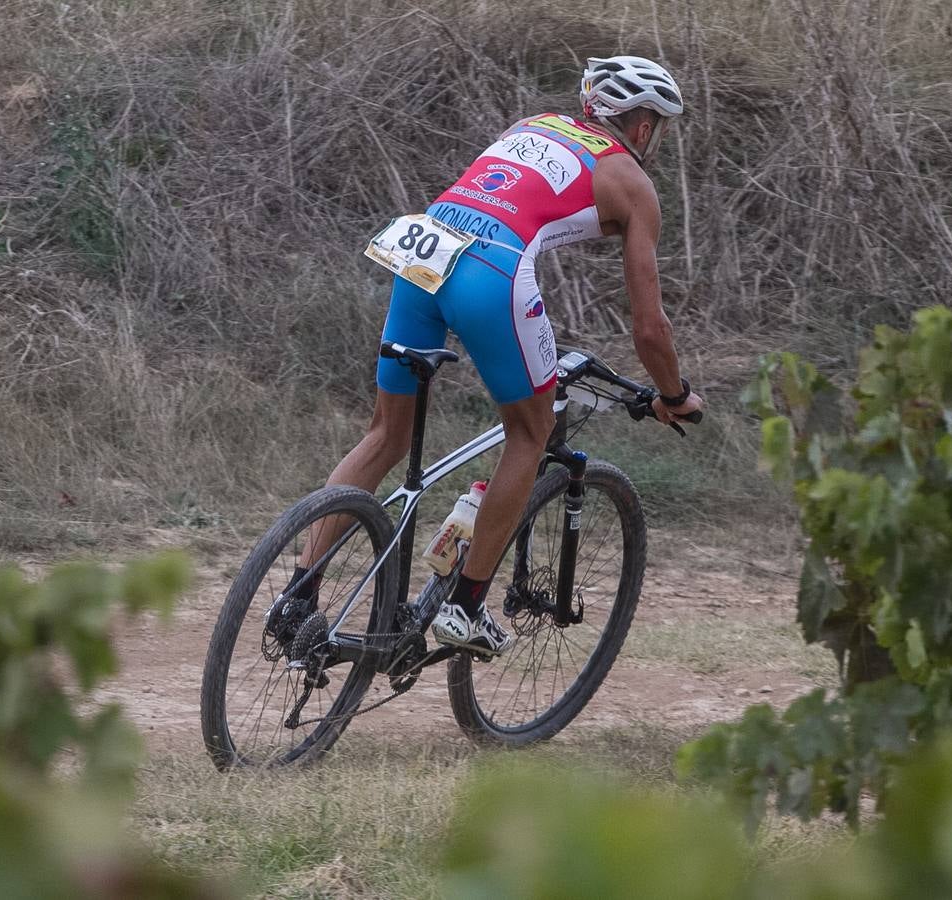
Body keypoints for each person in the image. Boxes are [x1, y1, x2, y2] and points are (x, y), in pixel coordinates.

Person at [292, 55, 704, 656]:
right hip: (489, 272)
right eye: (658, 130)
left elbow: (503, 202)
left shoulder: (534, 125)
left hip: (424, 252)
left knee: (385, 434)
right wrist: (673, 395)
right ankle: (464, 606)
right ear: (643, 128)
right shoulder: (634, 183)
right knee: (531, 434)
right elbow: (649, 328)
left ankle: (298, 594)